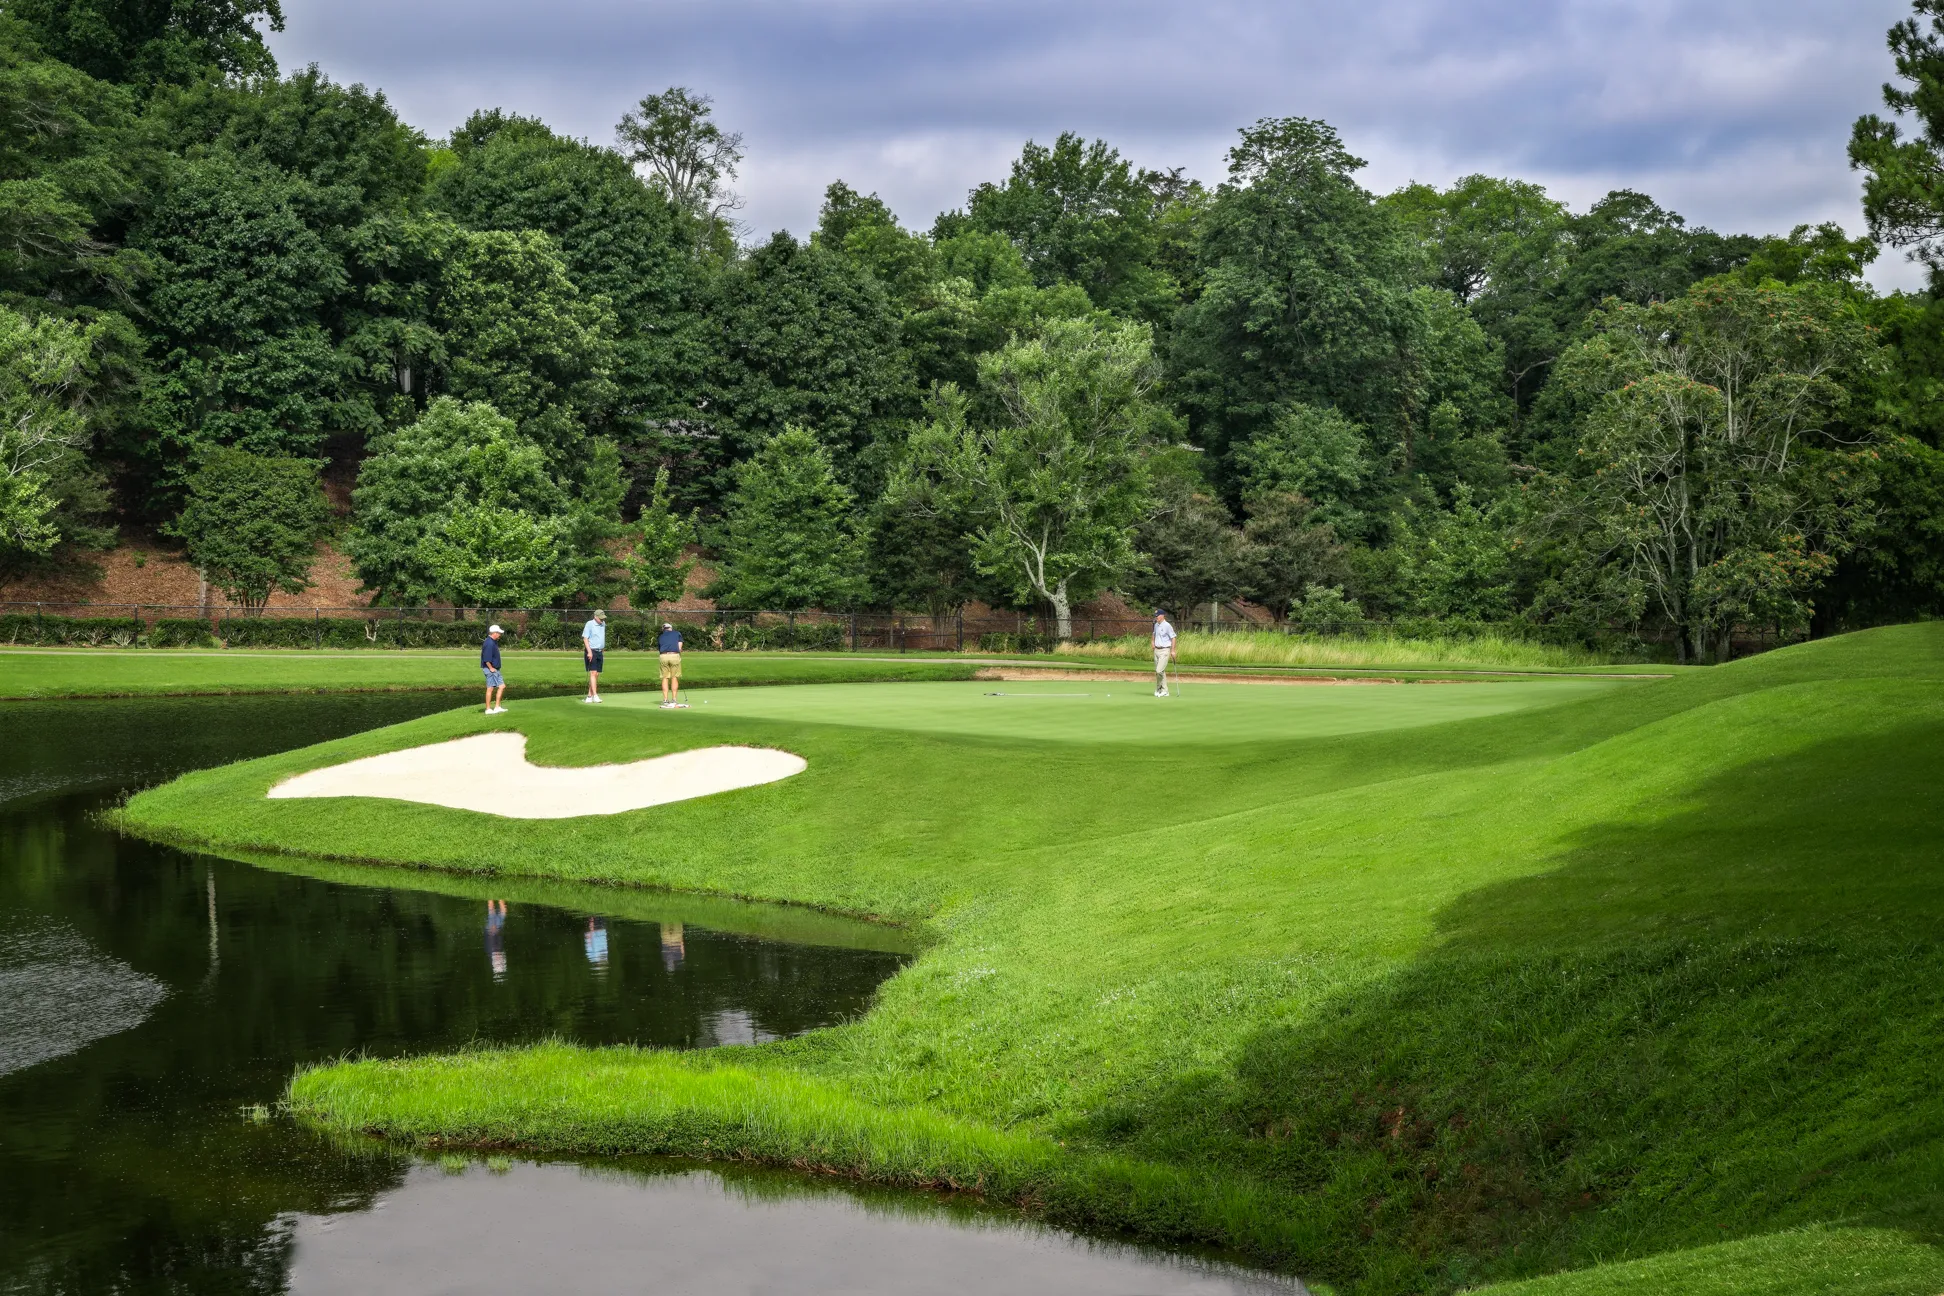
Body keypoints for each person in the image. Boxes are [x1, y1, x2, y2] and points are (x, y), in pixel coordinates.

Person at [656, 620, 686, 708]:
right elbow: (680, 647)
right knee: (674, 677)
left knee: (665, 677)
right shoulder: (677, 633)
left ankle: (665, 700)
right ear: (671, 628)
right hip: (674, 655)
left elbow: (660, 648)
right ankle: (674, 699)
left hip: (663, 656)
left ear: (663, 629)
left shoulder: (660, 636)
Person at [581, 609, 607, 704]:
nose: (602, 620)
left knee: (596, 674)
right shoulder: (589, 624)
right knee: (593, 673)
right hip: (591, 651)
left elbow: (601, 637)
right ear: (595, 617)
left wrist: (602, 650)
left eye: (603, 618)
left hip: (600, 651)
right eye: (600, 619)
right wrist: (589, 652)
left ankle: (589, 696)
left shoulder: (603, 624)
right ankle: (595, 695)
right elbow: (585, 638)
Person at [480, 624, 507, 714]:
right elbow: (486, 659)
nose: (500, 635)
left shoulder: (493, 641)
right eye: (499, 633)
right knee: (490, 688)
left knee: (502, 686)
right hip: (490, 669)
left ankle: (497, 707)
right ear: (494, 633)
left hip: (495, 668)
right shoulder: (489, 643)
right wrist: (491, 668)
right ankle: (488, 709)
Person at [1152, 609, 1176, 697]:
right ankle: (1161, 690)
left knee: (1159, 670)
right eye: (1155, 616)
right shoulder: (1156, 625)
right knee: (1160, 671)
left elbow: (1173, 637)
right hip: (1156, 650)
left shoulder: (1167, 626)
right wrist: (1152, 642)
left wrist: (1173, 651)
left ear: (1162, 616)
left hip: (1165, 650)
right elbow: (1154, 634)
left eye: (1157, 616)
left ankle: (1163, 689)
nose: (1156, 617)